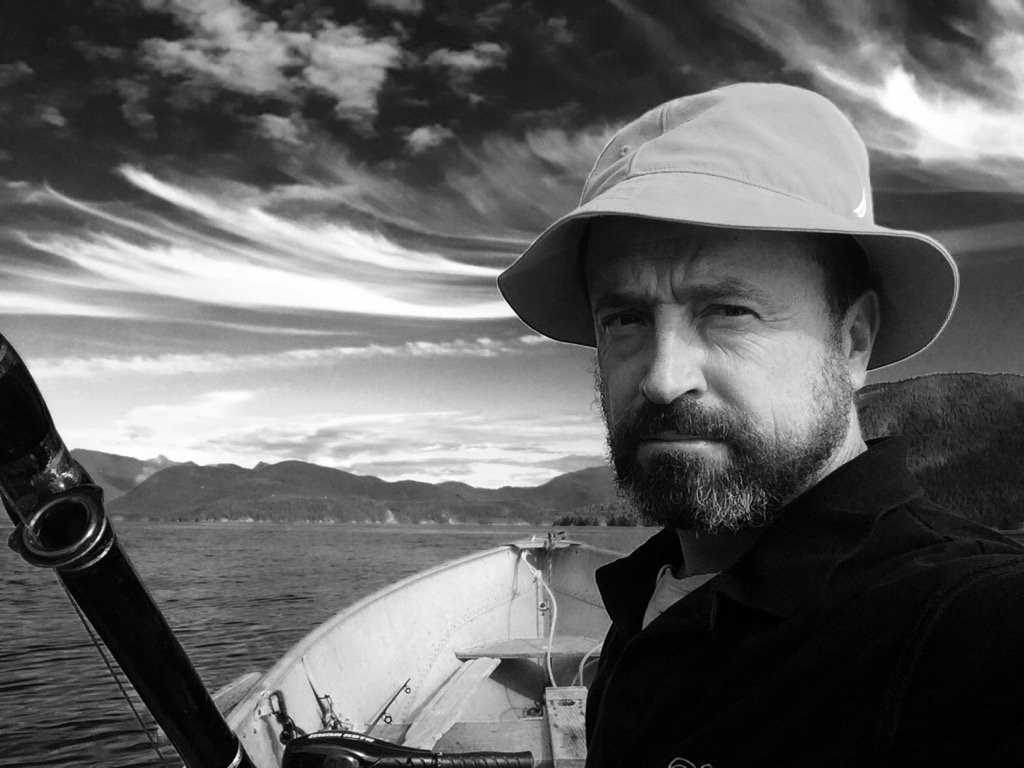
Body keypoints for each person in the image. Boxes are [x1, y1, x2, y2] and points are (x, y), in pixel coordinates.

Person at [497, 83, 1024, 767]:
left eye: (727, 311)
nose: (662, 378)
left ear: (854, 340)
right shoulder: (646, 598)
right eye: (624, 319)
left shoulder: (967, 627)